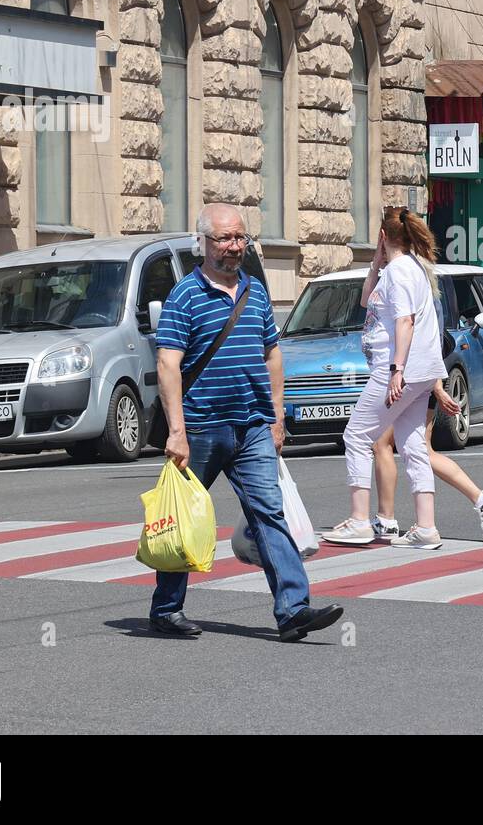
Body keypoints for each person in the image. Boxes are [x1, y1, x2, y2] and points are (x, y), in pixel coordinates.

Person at [152, 203, 342, 642]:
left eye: (240, 238)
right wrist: (176, 431)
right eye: (225, 239)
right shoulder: (186, 295)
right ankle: (165, 609)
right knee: (185, 519)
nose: (235, 247)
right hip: (200, 429)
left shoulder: (255, 292)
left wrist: (277, 416)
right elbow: (168, 363)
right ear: (203, 243)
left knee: (269, 514)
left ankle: (293, 610)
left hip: (253, 425)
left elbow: (272, 356)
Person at [324, 207, 449, 549]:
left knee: (356, 436)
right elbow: (368, 301)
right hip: (419, 372)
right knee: (411, 444)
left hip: (398, 370)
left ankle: (360, 520)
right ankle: (426, 528)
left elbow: (405, 322)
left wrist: (397, 369)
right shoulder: (400, 270)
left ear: (382, 236)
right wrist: (376, 264)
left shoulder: (401, 272)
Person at [370, 301, 483, 544]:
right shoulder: (419, 283)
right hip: (419, 378)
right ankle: (481, 499)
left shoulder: (412, 284)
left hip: (413, 379)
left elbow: (423, 343)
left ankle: (386, 520)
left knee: (383, 444)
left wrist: (439, 389)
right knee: (420, 449)